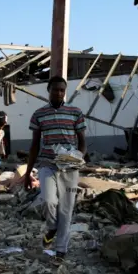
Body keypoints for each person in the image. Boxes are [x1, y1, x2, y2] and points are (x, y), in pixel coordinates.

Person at [25, 76, 86, 261]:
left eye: (62, 90)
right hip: (47, 164)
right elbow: (35, 145)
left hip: (70, 168)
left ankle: (61, 250)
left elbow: (83, 143)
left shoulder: (75, 112)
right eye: (55, 90)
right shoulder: (39, 114)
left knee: (66, 209)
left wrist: (78, 157)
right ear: (49, 90)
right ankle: (51, 227)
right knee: (49, 201)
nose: (59, 93)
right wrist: (27, 173)